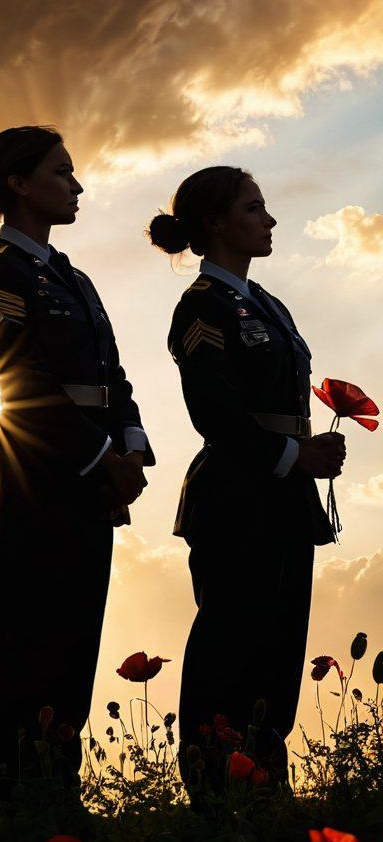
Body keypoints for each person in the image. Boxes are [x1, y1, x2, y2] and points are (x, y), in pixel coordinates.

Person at [0, 126, 153, 811]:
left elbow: (114, 376)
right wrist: (102, 456)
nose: (76, 184)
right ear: (18, 182)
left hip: (93, 475)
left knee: (75, 640)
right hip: (34, 477)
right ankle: (15, 793)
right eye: (62, 171)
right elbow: (22, 378)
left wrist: (130, 444)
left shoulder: (75, 278)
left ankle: (58, 787)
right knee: (26, 638)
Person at [147, 166, 345, 788]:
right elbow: (213, 408)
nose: (270, 219)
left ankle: (263, 785)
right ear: (216, 223)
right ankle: (214, 791)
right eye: (255, 208)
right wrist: (292, 457)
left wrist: (307, 453)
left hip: (284, 493)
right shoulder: (202, 305)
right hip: (237, 493)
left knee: (278, 652)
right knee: (231, 650)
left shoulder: (268, 305)